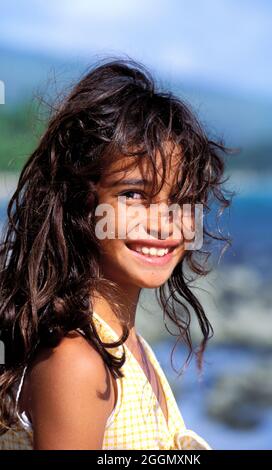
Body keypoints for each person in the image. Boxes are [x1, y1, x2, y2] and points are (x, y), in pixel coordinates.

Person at [0, 57, 232, 450]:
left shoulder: (130, 347)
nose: (163, 222)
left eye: (182, 198)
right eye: (133, 195)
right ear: (79, 203)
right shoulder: (77, 363)